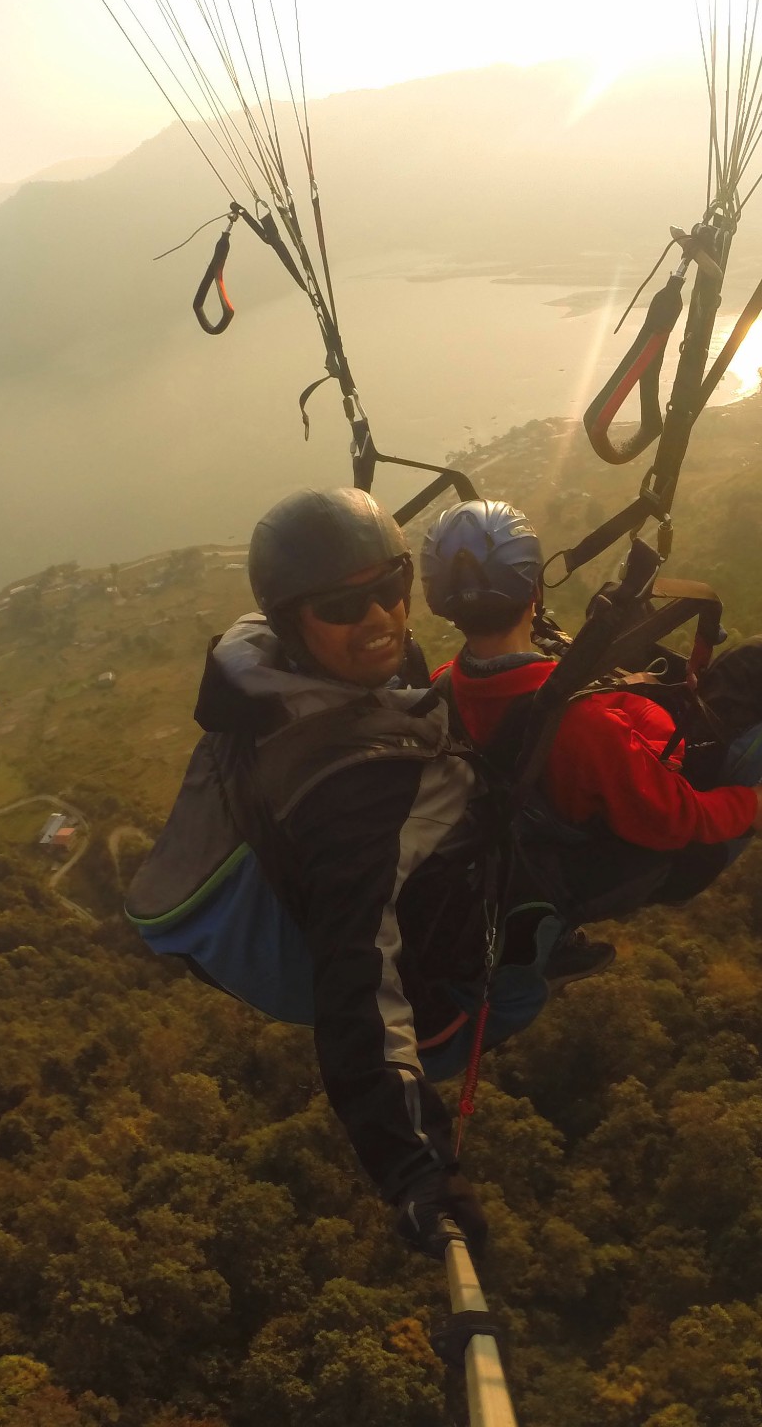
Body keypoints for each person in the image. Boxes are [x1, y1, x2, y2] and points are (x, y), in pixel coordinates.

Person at [181, 485, 494, 1260]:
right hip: (444, 997)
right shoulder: (354, 797)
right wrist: (415, 1170)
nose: (381, 618)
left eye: (391, 587)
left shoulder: (265, 669)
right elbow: (355, 982)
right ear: (292, 622)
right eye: (345, 608)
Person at [420, 499, 762, 928]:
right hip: (662, 807)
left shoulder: (447, 686)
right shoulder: (582, 726)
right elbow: (671, 817)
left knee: (617, 608)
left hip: (590, 765)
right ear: (535, 589)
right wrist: (746, 806)